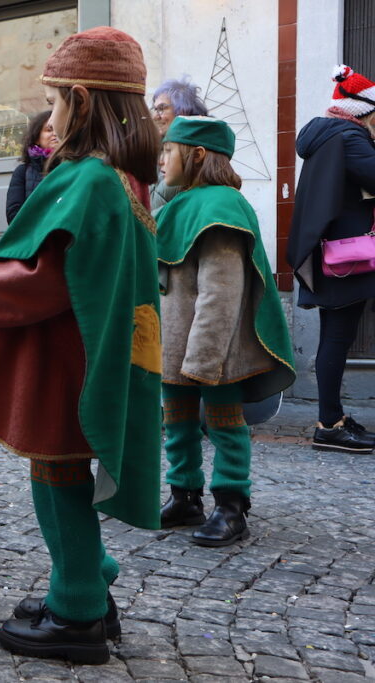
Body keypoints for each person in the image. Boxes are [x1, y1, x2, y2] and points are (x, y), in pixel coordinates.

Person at [0, 27, 161, 664]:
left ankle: (78, 609)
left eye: (54, 101)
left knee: (57, 477)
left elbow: (38, 282)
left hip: (66, 359)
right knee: (58, 476)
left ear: (80, 100)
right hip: (84, 351)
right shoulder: (119, 178)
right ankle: (82, 581)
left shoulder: (87, 180)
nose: (49, 116)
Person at [155, 116, 295, 546]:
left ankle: (232, 506)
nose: (161, 161)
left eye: (169, 151)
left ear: (196, 155)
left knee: (224, 424)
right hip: (176, 344)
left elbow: (221, 292)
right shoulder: (179, 202)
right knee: (176, 422)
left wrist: (204, 356)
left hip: (211, 348)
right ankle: (185, 496)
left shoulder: (220, 206)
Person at [287, 65, 375, 453]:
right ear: (366, 112)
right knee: (337, 338)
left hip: (335, 254)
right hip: (352, 256)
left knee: (334, 337)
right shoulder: (350, 138)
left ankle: (332, 418)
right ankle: (329, 424)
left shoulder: (326, 136)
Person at [149, 77, 208, 213]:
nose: (155, 116)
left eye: (161, 109)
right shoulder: (161, 146)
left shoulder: (190, 152)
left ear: (182, 111)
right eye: (155, 109)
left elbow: (153, 205)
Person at [6, 111, 56, 224]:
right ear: (37, 138)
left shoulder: (74, 166)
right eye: (49, 130)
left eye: (58, 129)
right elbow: (13, 215)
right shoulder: (22, 172)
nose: (55, 134)